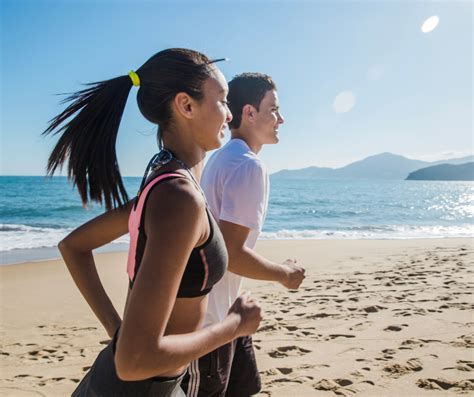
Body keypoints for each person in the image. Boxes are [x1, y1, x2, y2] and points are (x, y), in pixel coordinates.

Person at [43, 49, 263, 397]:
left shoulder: (164, 178)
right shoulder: (179, 198)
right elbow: (134, 361)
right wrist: (234, 326)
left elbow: (74, 246)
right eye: (221, 101)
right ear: (186, 106)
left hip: (138, 385)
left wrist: (118, 331)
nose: (229, 113)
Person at [182, 73, 305, 397]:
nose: (281, 118)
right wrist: (285, 275)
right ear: (249, 113)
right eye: (274, 110)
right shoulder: (248, 166)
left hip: (224, 309)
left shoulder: (220, 158)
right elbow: (231, 254)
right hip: (209, 322)